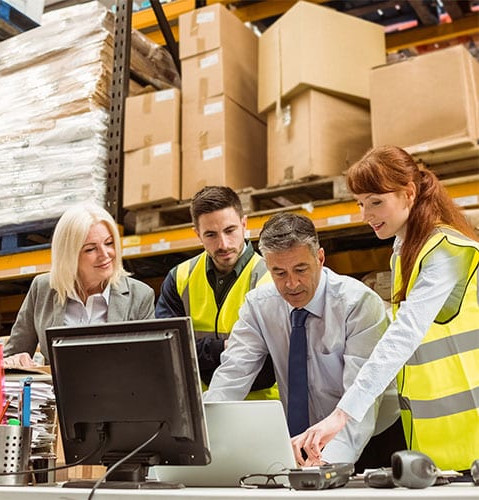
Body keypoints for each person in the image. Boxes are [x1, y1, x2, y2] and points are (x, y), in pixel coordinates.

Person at [302, 145, 479, 472]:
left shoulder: (446, 252)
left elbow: (403, 336)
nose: (365, 215)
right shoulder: (405, 251)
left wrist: (343, 414)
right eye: (360, 203)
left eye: (376, 202)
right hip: (440, 444)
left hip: (472, 436)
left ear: (408, 193)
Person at [204, 212, 405, 469]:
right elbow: (231, 376)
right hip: (299, 441)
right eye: (279, 272)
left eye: (301, 269)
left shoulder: (358, 304)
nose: (292, 283)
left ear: (320, 258)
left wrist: (326, 464)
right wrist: (198, 441)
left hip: (370, 438)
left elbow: (360, 402)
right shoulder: (259, 305)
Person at [155, 186, 278, 400]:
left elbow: (268, 362)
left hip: (262, 408)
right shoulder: (180, 279)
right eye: (211, 235)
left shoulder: (273, 278)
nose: (223, 244)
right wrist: (223, 347)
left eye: (230, 230)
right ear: (197, 234)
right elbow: (166, 351)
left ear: (244, 224)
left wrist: (198, 351)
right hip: (201, 410)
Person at [3, 202, 155, 367]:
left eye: (109, 243)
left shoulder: (140, 295)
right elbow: (12, 355)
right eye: (91, 249)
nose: (105, 255)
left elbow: (149, 364)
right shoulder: (43, 288)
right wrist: (15, 361)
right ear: (69, 256)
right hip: (57, 392)